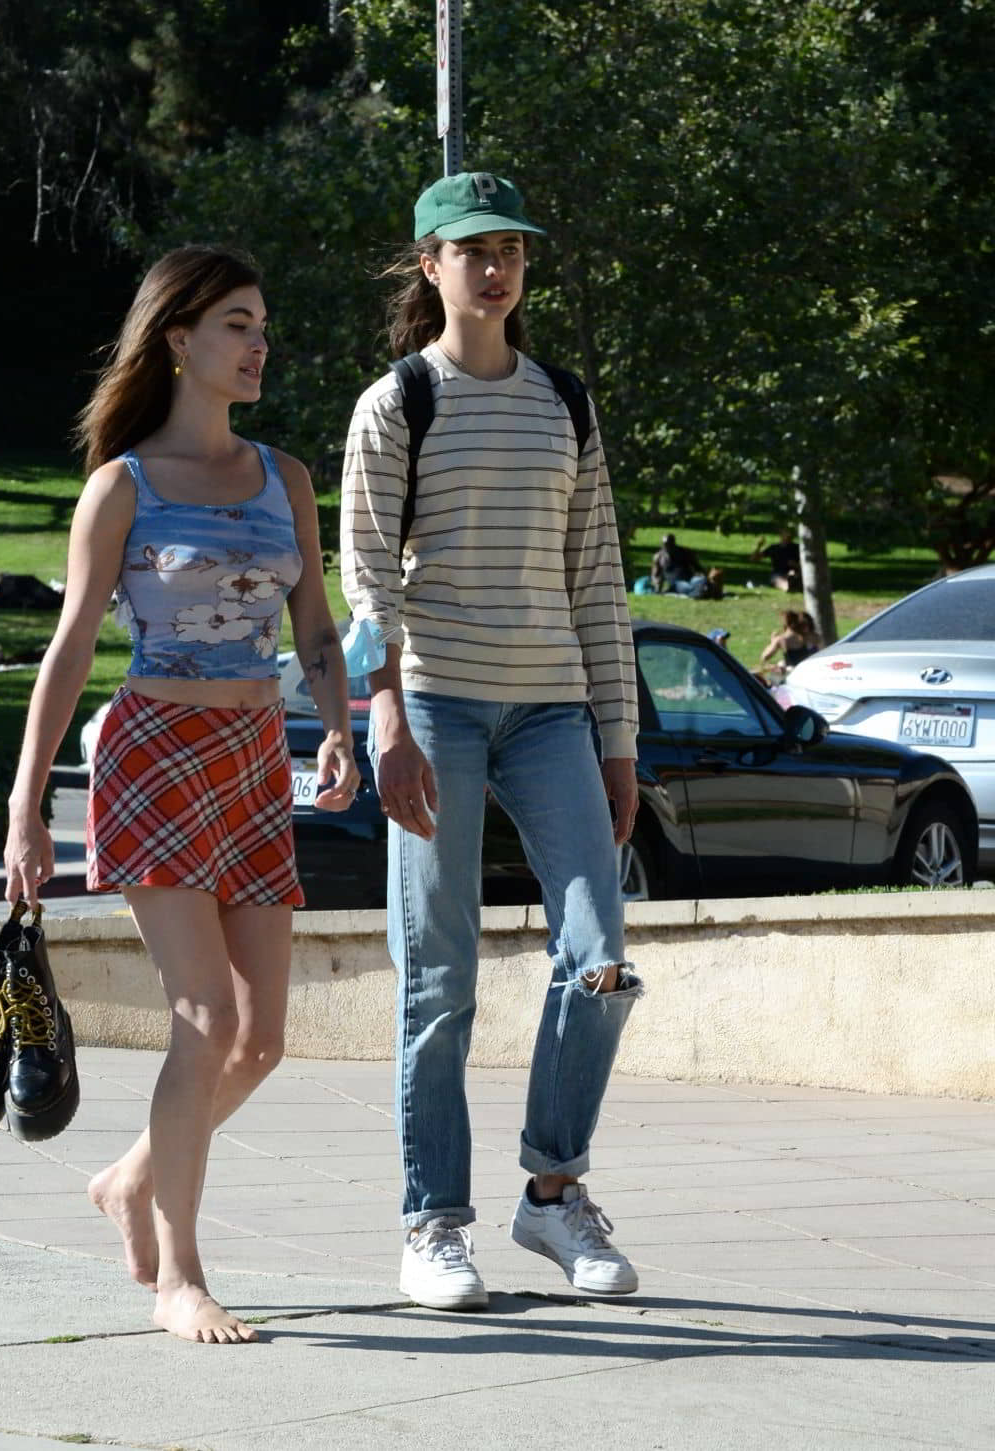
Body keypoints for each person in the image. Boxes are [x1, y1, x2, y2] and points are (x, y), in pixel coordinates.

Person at [4, 246, 359, 1345]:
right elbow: (66, 652)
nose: (257, 345)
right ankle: (180, 1276)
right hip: (154, 751)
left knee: (260, 1040)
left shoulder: (284, 476)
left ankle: (126, 1180)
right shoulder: (123, 486)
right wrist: (25, 807)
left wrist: (339, 728)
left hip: (254, 755)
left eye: (261, 326)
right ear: (178, 340)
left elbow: (314, 626)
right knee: (203, 1018)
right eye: (237, 325)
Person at [341, 172, 643, 1313]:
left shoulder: (563, 400)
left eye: (510, 247)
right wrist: (384, 715)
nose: (495, 266)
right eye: (471, 250)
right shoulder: (397, 401)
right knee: (438, 977)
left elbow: (595, 580)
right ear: (430, 267)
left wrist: (615, 739)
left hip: (552, 709)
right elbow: (365, 579)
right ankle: (432, 1222)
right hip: (433, 707)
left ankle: (551, 1190)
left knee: (599, 954)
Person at [757, 609, 821, 674]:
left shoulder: (781, 640)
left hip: (795, 673)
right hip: (813, 669)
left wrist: (773, 642)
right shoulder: (811, 636)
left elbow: (764, 657)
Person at [650, 532, 709, 596]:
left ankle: (702, 590)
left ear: (674, 543)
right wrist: (657, 587)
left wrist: (705, 575)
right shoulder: (659, 557)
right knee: (686, 587)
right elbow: (655, 575)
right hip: (676, 584)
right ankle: (698, 592)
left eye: (670, 544)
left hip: (690, 580)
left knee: (702, 581)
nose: (667, 546)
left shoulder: (684, 552)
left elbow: (697, 567)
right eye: (665, 544)